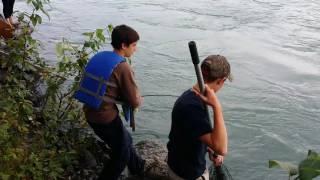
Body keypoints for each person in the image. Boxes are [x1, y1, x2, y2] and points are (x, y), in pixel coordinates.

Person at [81, 24, 145, 180]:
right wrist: (138, 100)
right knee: (121, 155)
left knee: (126, 140)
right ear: (124, 45)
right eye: (134, 45)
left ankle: (138, 168)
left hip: (90, 112)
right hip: (105, 118)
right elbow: (133, 101)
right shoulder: (123, 67)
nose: (135, 49)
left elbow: (105, 88)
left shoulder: (100, 56)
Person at [167, 55, 232, 180]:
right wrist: (217, 107)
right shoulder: (192, 107)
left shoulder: (190, 97)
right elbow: (222, 149)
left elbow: (191, 133)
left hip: (178, 164)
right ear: (221, 81)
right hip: (187, 173)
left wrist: (209, 147)